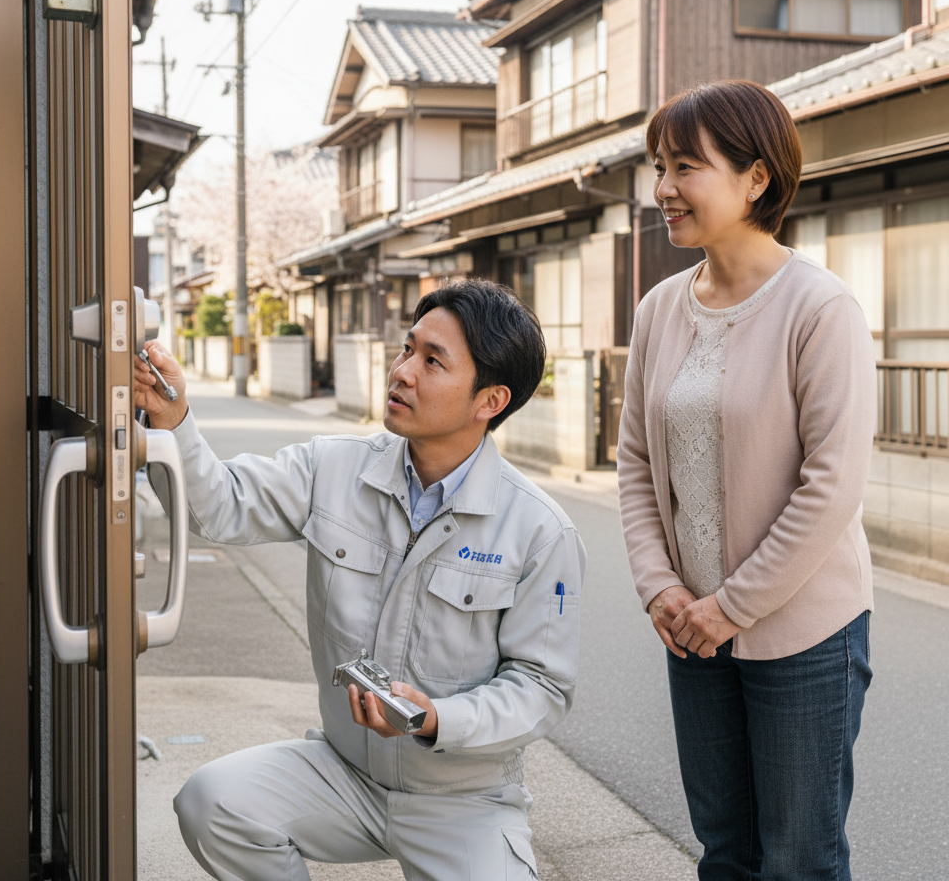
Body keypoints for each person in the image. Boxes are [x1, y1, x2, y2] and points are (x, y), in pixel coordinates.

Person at [136, 279, 585, 881]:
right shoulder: (333, 467)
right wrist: (175, 420)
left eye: (432, 362)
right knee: (212, 802)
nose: (402, 372)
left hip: (462, 802)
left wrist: (435, 719)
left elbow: (541, 690)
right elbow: (218, 507)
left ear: (490, 401)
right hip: (343, 773)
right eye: (407, 350)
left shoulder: (538, 530)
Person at [617, 80, 875, 881]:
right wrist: (662, 588)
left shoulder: (820, 307)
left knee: (798, 859)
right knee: (725, 852)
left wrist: (730, 607)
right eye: (659, 166)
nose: (663, 189)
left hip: (803, 633)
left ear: (756, 178)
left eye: (685, 167)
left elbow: (831, 485)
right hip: (691, 627)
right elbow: (632, 462)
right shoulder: (659, 309)